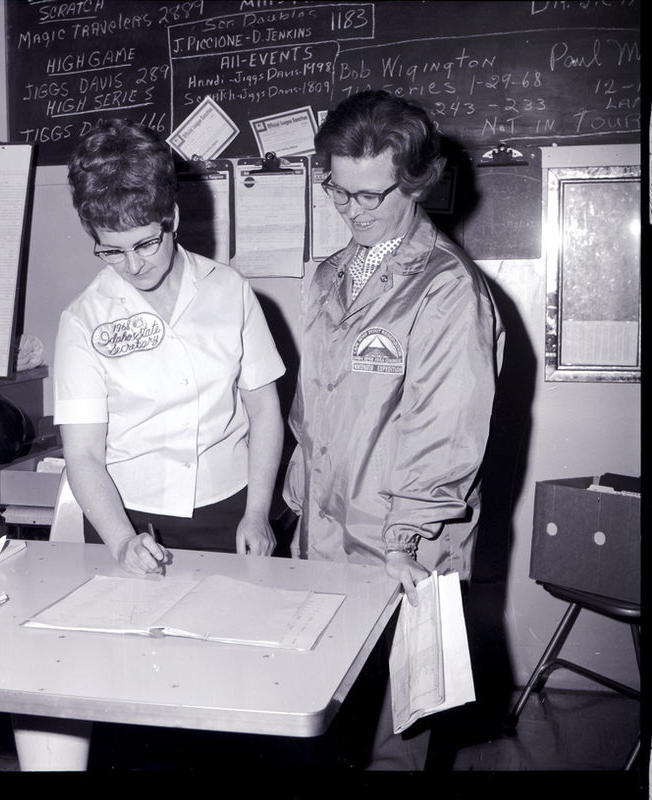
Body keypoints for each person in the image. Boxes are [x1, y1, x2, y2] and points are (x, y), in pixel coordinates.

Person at [284, 90, 504, 769]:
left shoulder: (446, 288)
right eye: (337, 190)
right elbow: (314, 408)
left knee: (393, 740)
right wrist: (296, 503)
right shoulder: (328, 276)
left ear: (417, 182)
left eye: (369, 196)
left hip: (402, 544)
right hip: (324, 537)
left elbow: (446, 432)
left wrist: (405, 540)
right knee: (324, 723)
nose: (351, 211)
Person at [54, 118, 286, 574]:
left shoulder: (230, 291)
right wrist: (122, 541)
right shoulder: (83, 319)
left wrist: (258, 512)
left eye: (145, 244)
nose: (133, 265)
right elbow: (82, 454)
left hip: (230, 511)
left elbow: (264, 410)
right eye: (112, 251)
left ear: (172, 219)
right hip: (125, 518)